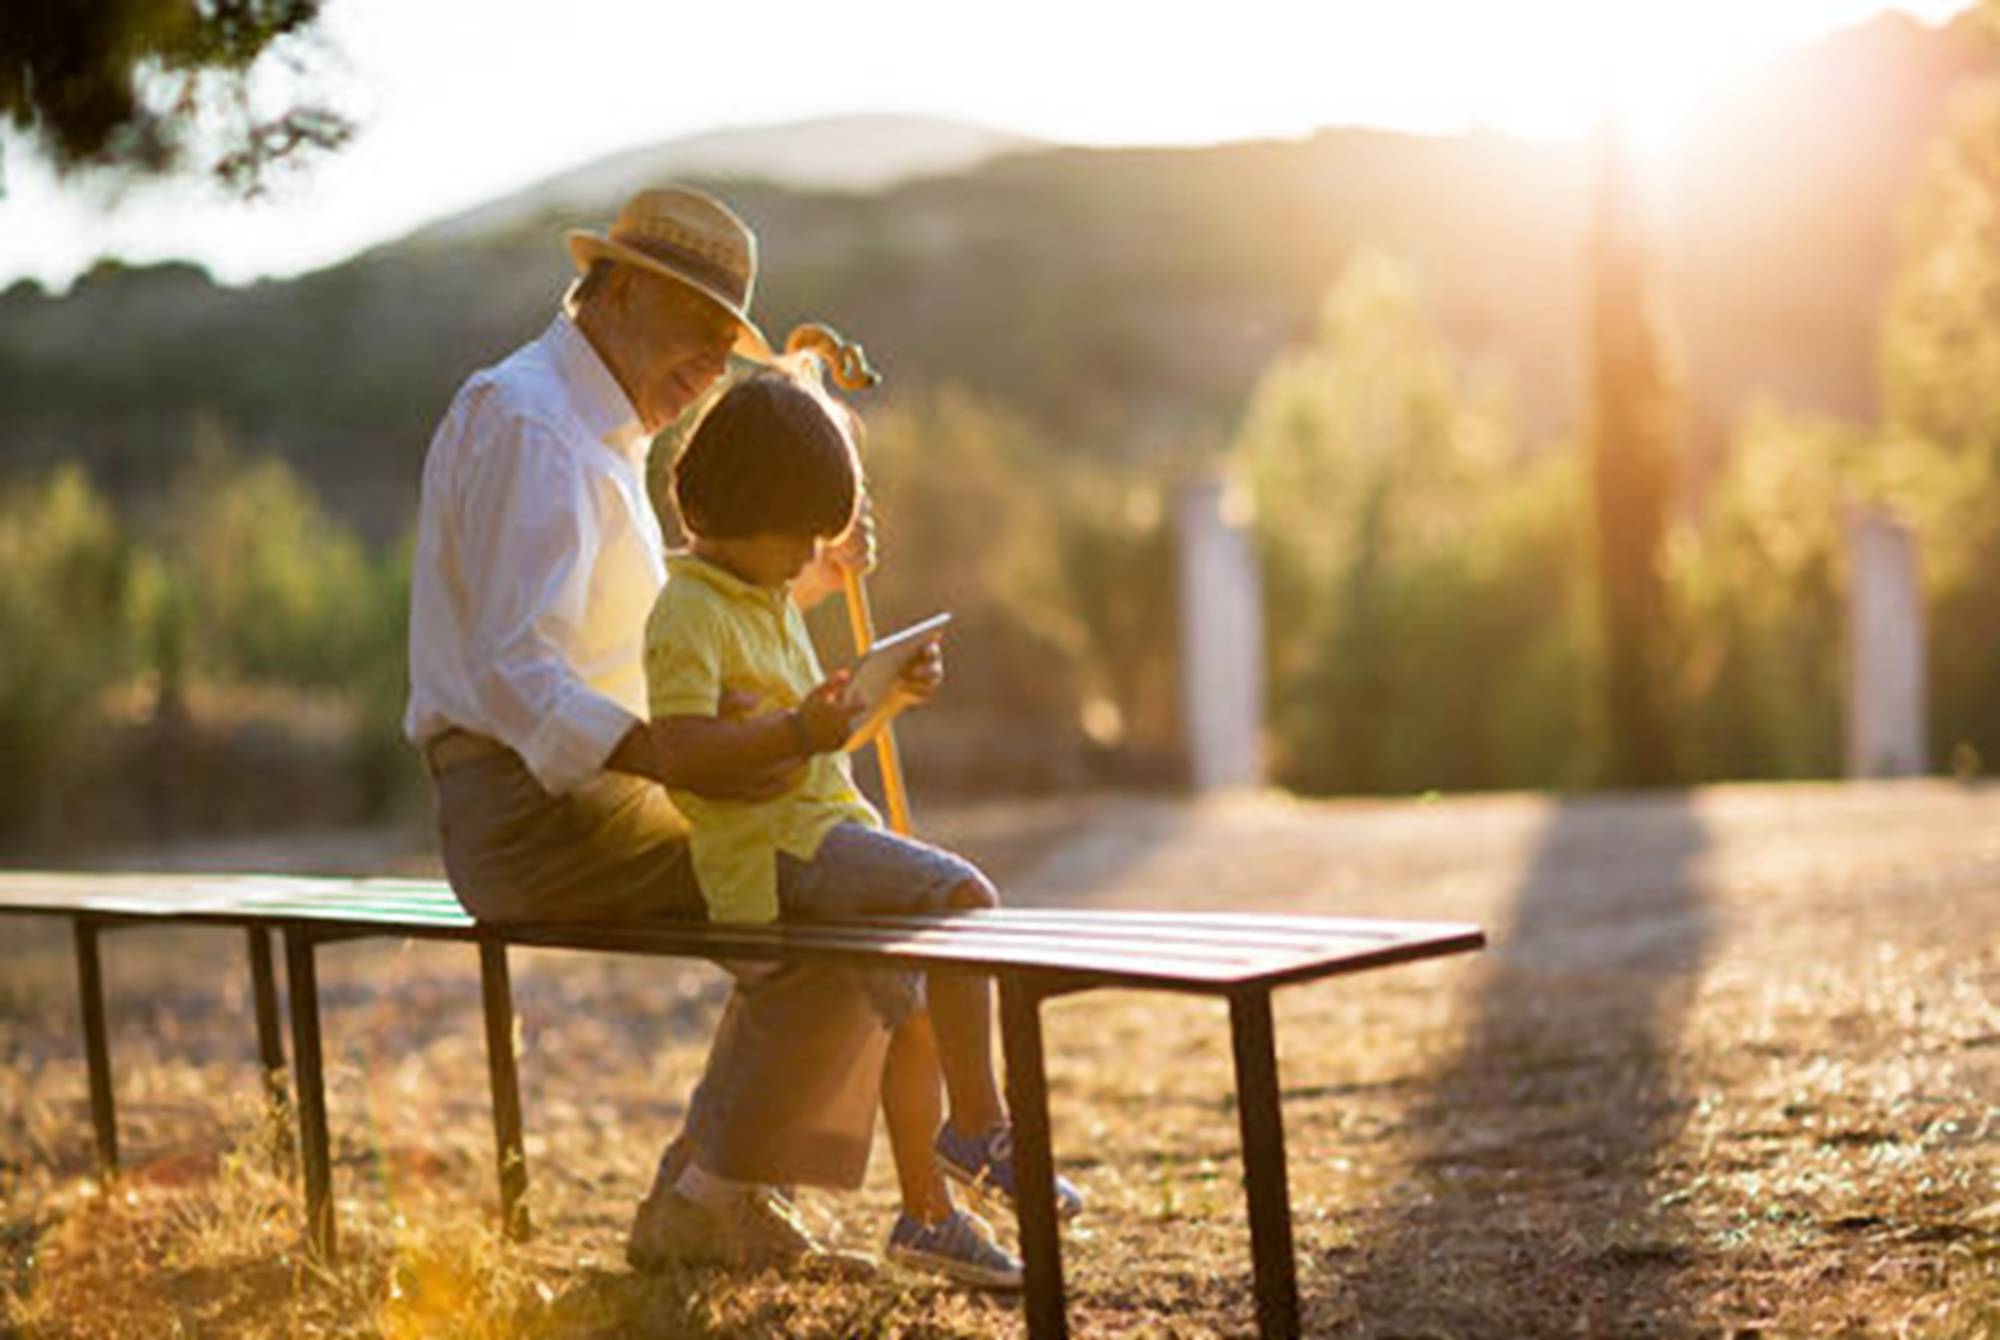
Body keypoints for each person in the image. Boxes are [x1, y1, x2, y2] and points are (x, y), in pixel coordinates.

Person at [403, 185, 917, 1272]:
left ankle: (713, 1189)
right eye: (698, 331)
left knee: (835, 863)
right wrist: (673, 754)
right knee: (834, 880)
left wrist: (797, 576)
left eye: (726, 345)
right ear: (620, 289)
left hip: (587, 796)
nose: (709, 367)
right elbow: (515, 670)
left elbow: (653, 644)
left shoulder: (596, 428)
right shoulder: (534, 424)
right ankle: (709, 1196)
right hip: (535, 816)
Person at [641, 367, 1084, 1287]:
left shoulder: (760, 598)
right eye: (800, 535)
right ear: (737, 515)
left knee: (914, 1013)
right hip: (771, 856)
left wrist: (879, 702)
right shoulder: (686, 613)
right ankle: (976, 1126)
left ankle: (927, 1215)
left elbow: (813, 743)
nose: (811, 552)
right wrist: (803, 727)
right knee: (962, 895)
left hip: (815, 828)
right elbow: (682, 754)